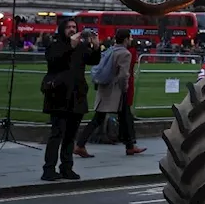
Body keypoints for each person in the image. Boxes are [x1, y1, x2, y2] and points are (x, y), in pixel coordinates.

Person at [41, 16, 101, 181]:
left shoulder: (81, 47)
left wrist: (96, 47)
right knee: (57, 134)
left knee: (70, 135)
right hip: (58, 95)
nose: (72, 30)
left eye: (74, 27)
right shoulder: (55, 45)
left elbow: (93, 61)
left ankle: (67, 167)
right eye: (69, 27)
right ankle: (49, 169)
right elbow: (54, 62)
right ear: (62, 29)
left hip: (76, 95)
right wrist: (70, 46)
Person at [75, 29, 145, 157]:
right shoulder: (125, 53)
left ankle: (130, 146)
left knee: (120, 117)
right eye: (129, 38)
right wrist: (125, 88)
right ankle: (80, 144)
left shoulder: (110, 50)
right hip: (116, 91)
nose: (131, 40)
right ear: (125, 39)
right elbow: (123, 75)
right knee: (102, 118)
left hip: (105, 88)